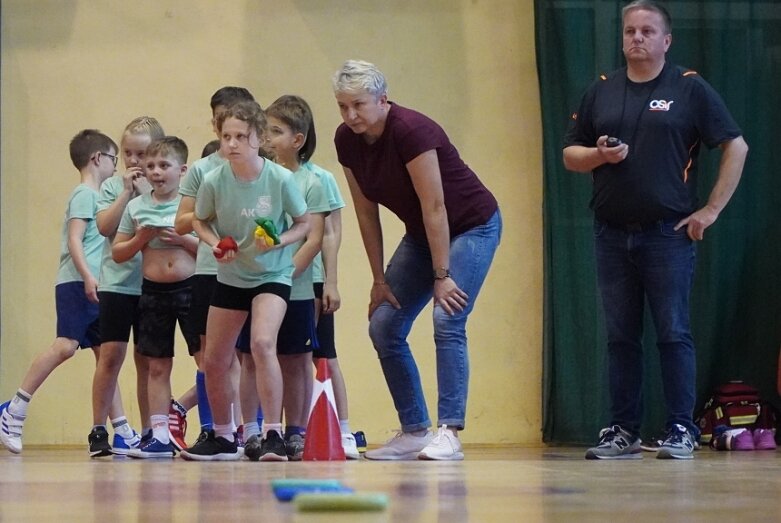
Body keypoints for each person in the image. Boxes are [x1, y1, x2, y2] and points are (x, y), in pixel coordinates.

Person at [562, 0, 748, 460]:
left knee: (672, 332)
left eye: (647, 31)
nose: (637, 39)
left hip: (667, 234)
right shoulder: (601, 90)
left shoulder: (689, 88)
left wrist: (710, 210)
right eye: (629, 31)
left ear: (667, 40)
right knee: (620, 336)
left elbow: (736, 145)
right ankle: (622, 430)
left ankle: (680, 429)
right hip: (610, 234)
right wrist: (599, 156)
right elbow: (570, 154)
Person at [332, 60, 502, 461]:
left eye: (359, 104)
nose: (351, 115)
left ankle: (450, 431)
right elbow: (364, 212)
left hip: (471, 226)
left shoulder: (411, 130)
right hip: (423, 235)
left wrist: (442, 275)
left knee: (447, 317)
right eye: (343, 106)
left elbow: (436, 206)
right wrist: (378, 278)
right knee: (384, 325)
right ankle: (414, 430)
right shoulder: (346, 140)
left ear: (383, 99)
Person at [181, 100, 310, 461]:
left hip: (272, 273)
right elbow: (199, 220)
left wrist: (279, 242)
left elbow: (304, 224)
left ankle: (272, 433)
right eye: (226, 136)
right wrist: (214, 244)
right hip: (231, 275)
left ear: (257, 138)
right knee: (215, 358)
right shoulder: (213, 180)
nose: (233, 144)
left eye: (241, 136)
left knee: (262, 342)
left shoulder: (280, 179)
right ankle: (223, 436)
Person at [0, 130, 119, 454]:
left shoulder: (99, 197)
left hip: (95, 283)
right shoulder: (85, 194)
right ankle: (14, 410)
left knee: (106, 356)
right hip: (77, 282)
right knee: (66, 346)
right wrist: (86, 276)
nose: (116, 167)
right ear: (98, 159)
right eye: (114, 159)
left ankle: (122, 430)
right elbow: (75, 239)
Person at [172, 87, 255, 450]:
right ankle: (214, 428)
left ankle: (249, 429)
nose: (231, 133)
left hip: (255, 271)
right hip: (210, 269)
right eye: (223, 121)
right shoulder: (204, 171)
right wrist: (213, 214)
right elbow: (181, 222)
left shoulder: (262, 166)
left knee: (254, 351)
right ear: (215, 123)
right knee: (213, 356)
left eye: (238, 124)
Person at [112, 136, 200, 458]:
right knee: (157, 365)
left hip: (190, 288)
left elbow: (212, 248)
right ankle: (159, 434)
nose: (156, 172)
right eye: (150, 166)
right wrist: (140, 238)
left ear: (183, 170)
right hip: (153, 292)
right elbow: (118, 252)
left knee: (205, 360)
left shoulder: (192, 206)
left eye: (164, 165)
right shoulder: (136, 207)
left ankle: (218, 428)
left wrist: (183, 239)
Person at [89, 116, 164, 457]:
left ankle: (150, 430)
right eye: (128, 153)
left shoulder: (162, 186)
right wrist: (125, 193)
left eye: (143, 153)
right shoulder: (111, 187)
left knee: (147, 360)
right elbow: (105, 227)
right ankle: (98, 429)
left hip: (150, 285)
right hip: (117, 285)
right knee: (110, 357)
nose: (134, 161)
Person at [262, 95, 331, 461]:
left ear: (298, 139)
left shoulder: (312, 182)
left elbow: (315, 237)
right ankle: (260, 430)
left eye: (275, 131)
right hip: (258, 284)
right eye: (266, 130)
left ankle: (296, 431)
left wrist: (286, 275)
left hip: (296, 285)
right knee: (258, 353)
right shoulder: (262, 176)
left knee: (296, 359)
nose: (267, 138)